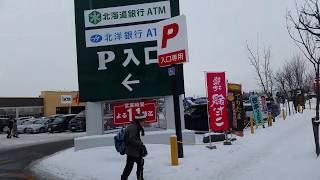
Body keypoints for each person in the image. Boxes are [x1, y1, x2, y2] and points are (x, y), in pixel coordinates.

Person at [121, 113, 147, 180]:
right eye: (143, 121)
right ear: (139, 121)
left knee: (136, 164)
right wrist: (141, 144)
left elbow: (135, 138)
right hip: (132, 151)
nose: (144, 122)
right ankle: (138, 178)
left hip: (133, 150)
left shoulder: (135, 126)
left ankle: (139, 178)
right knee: (131, 166)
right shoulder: (133, 127)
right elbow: (131, 139)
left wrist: (141, 146)